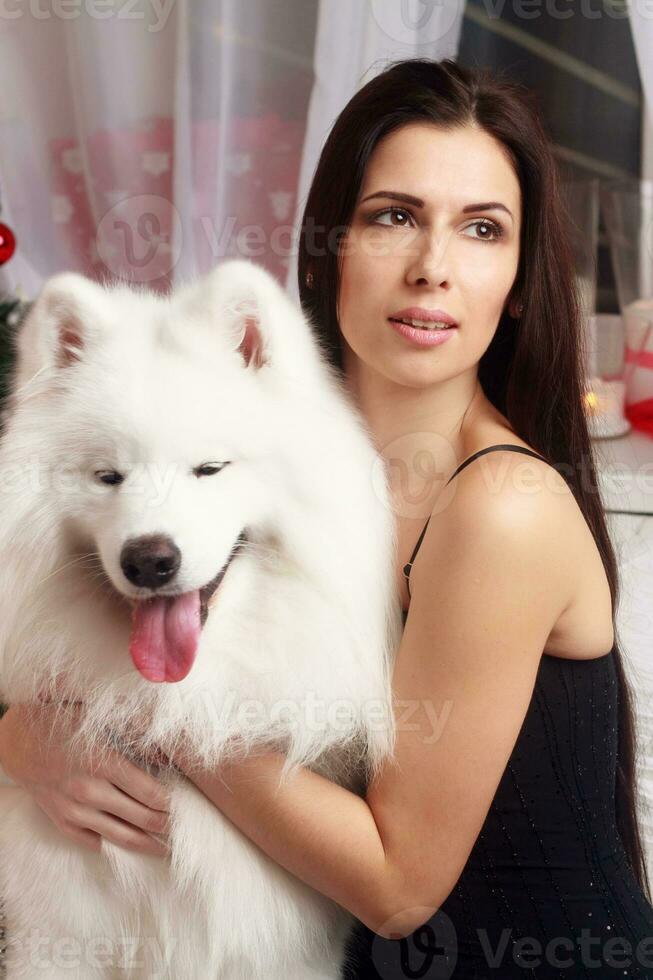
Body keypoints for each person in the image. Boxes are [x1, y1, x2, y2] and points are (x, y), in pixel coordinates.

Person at [1, 57, 652, 978]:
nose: (432, 268)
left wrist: (125, 712)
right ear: (325, 244)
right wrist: (24, 736)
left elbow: (395, 886)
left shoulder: (501, 509)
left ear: (515, 276)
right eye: (394, 216)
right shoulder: (247, 441)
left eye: (481, 229)